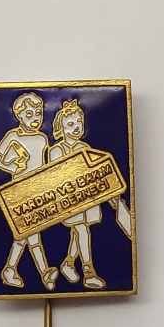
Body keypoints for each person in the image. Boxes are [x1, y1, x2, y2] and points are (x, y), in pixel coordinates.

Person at [0, 92, 58, 290]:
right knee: (30, 233)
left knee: (27, 235)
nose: (35, 118)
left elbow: (45, 165)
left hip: (38, 191)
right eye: (29, 114)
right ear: (19, 116)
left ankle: (11, 270)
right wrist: (13, 167)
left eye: (38, 113)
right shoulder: (13, 136)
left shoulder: (42, 138)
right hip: (19, 191)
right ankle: (43, 273)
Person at [48, 99, 110, 289]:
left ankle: (68, 263)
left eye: (79, 122)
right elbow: (55, 176)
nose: (76, 127)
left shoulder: (84, 148)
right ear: (61, 128)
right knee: (82, 229)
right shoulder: (55, 150)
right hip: (69, 200)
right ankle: (88, 272)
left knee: (79, 231)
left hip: (86, 198)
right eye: (70, 124)